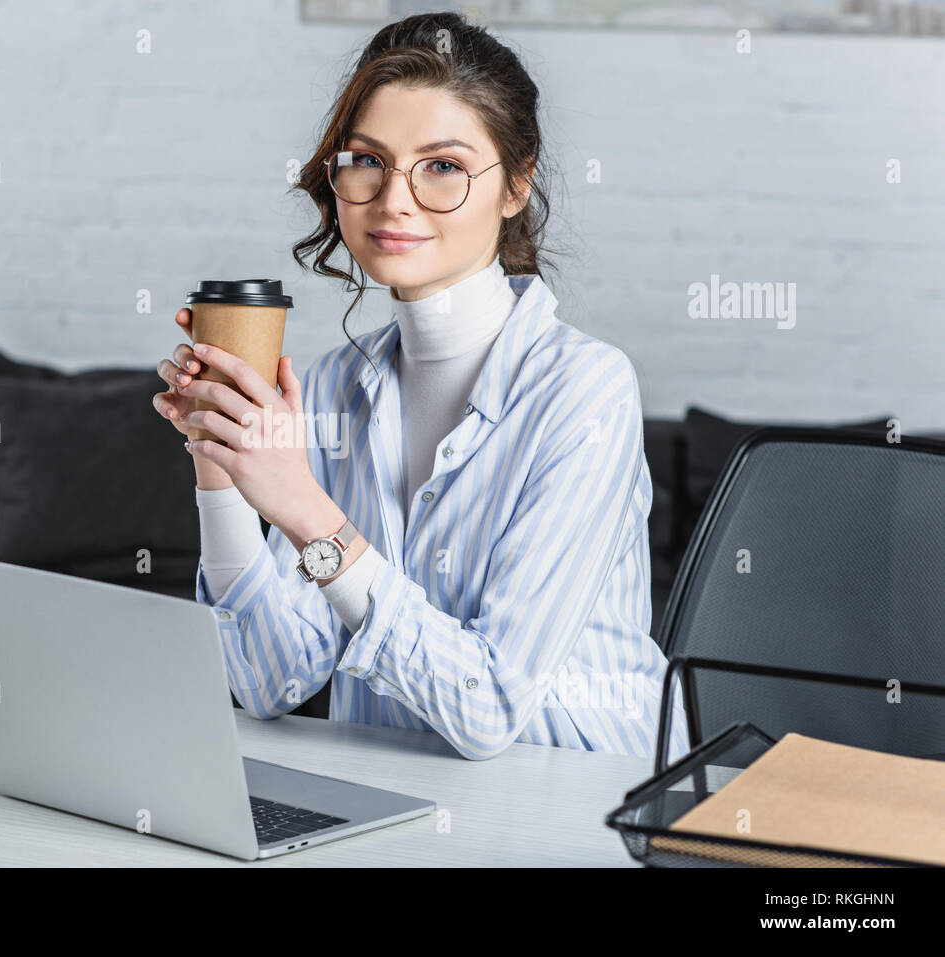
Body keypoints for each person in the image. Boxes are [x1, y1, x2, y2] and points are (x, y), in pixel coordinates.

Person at [153, 12, 687, 762]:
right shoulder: (340, 386)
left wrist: (302, 507)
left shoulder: (585, 391)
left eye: (442, 166)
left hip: (576, 803)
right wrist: (223, 470)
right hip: (397, 802)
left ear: (516, 186)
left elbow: (489, 706)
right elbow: (270, 679)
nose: (394, 199)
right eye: (368, 161)